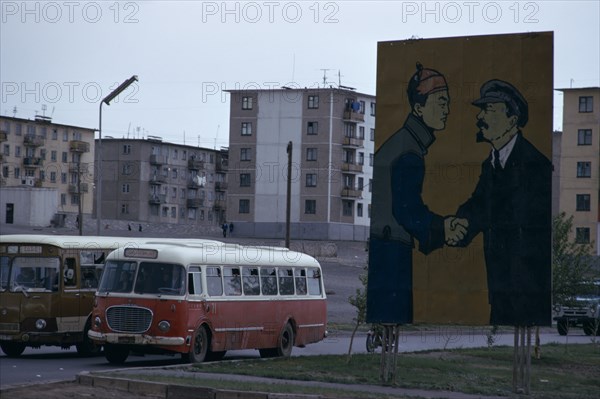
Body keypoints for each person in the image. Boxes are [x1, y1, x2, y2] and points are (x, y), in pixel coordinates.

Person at [367, 63, 467, 324]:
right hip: (392, 251)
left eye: (448, 102)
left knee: (389, 318)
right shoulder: (409, 150)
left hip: (386, 245)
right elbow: (407, 210)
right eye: (441, 102)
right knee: (393, 314)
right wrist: (442, 229)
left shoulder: (404, 141)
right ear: (419, 107)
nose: (447, 109)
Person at [451, 79, 552, 327]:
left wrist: (465, 223)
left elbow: (509, 212)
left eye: (489, 110)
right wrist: (459, 223)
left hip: (526, 289)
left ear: (512, 119)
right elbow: (478, 203)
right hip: (501, 286)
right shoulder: (493, 162)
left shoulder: (534, 164)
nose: (480, 117)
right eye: (481, 110)